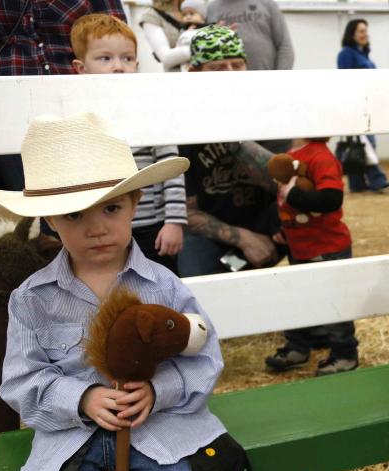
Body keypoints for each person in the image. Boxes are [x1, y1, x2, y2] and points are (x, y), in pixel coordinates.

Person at [0, 112, 292, 471]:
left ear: (136, 204)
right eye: (74, 216)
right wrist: (82, 398)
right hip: (71, 435)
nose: (96, 228)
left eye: (111, 208)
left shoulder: (163, 286)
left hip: (158, 428)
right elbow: (22, 380)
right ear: (49, 220)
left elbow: (204, 356)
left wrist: (158, 392)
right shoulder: (32, 298)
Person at [0, 1, 127, 211]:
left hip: (81, 119)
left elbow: (120, 40)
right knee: (29, 222)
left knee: (86, 211)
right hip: (0, 121)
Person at [70, 14, 187, 273]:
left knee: (160, 292)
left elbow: (171, 168)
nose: (119, 66)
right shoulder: (78, 118)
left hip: (152, 228)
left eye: (127, 58)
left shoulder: (149, 112)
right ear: (81, 68)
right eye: (105, 58)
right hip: (102, 230)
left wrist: (174, 222)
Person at [177, 26, 282, 276]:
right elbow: (186, 211)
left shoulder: (269, 113)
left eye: (237, 65)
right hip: (210, 235)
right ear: (194, 73)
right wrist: (243, 239)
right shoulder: (181, 125)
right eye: (217, 68)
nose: (230, 74)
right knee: (195, 283)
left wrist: (233, 134)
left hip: (269, 228)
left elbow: (285, 181)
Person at [263, 138, 359, 376]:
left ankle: (345, 353)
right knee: (300, 297)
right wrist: (282, 227)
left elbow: (331, 199)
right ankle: (298, 347)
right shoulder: (291, 154)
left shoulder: (321, 157)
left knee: (334, 301)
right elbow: (283, 201)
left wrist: (292, 194)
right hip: (300, 246)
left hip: (327, 246)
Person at [336, 19, 389, 194]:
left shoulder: (363, 55)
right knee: (366, 143)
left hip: (367, 105)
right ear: (352, 33)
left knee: (360, 144)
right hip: (355, 105)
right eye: (361, 31)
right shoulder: (346, 53)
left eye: (366, 31)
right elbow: (345, 80)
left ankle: (357, 183)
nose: (365, 34)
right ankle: (377, 180)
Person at [206, 0, 294, 71]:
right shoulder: (212, 8)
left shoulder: (267, 3)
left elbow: (284, 44)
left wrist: (281, 77)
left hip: (267, 77)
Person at [139, 0, 191, 72]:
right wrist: (201, 48)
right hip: (176, 77)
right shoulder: (152, 15)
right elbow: (165, 57)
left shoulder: (192, 9)